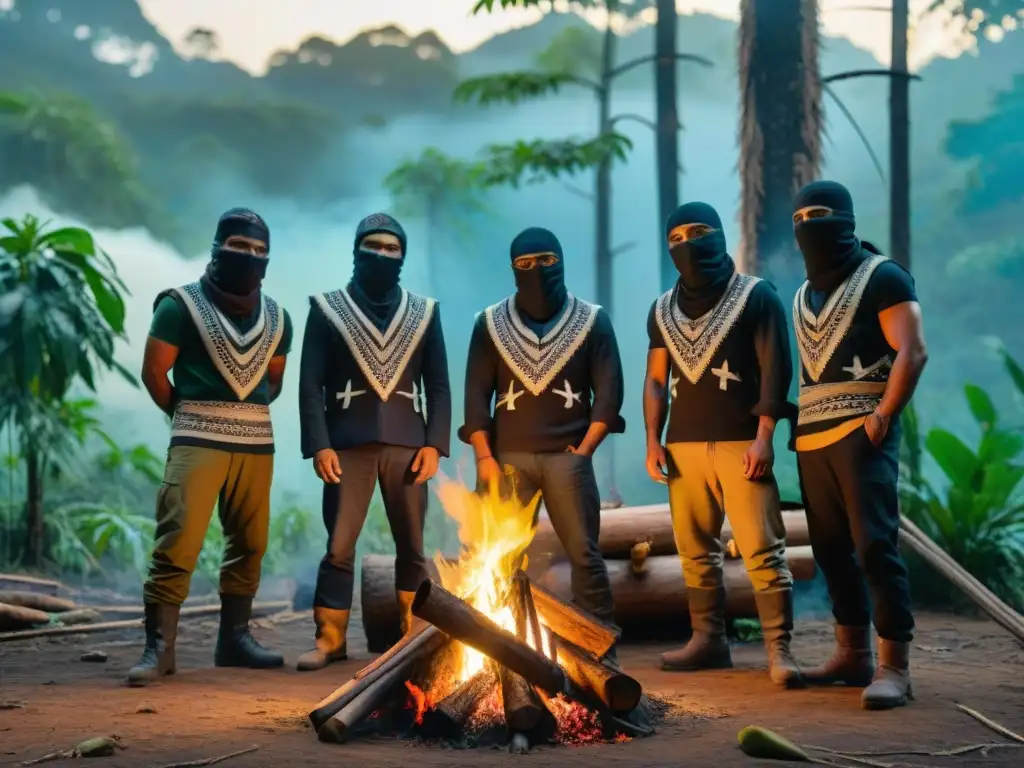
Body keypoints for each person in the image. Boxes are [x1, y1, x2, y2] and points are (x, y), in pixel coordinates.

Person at [129, 208, 293, 687]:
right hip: (196, 440)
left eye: (260, 251)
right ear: (218, 247)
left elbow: (273, 383)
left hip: (256, 443)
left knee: (251, 543)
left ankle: (234, 639)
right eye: (240, 247)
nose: (250, 257)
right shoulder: (178, 306)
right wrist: (188, 414)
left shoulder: (279, 317)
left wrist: (240, 414)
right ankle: (159, 648)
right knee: (178, 539)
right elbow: (154, 374)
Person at [642, 202, 801, 686]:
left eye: (700, 231)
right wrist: (653, 439)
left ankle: (780, 650)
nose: (689, 243)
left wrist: (764, 438)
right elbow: (654, 380)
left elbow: (777, 370)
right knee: (695, 550)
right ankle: (708, 640)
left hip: (742, 442)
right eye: (678, 237)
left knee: (762, 548)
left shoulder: (757, 296)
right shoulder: (661, 309)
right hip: (683, 445)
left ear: (719, 235)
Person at [790, 180, 928, 710]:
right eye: (800, 218)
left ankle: (896, 667)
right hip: (814, 438)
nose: (809, 226)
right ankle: (853, 655)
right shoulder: (805, 293)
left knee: (874, 545)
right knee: (830, 550)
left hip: (862, 433)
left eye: (820, 214)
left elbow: (912, 352)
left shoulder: (884, 276)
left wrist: (884, 416)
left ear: (845, 218)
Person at [296, 213, 450, 670]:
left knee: (412, 545)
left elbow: (437, 385)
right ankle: (330, 639)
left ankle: (411, 637)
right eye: (373, 246)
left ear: (403, 255)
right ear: (357, 250)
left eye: (392, 248)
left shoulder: (425, 312)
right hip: (346, 444)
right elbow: (309, 383)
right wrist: (319, 444)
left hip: (408, 444)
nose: (382, 255)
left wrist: (434, 444)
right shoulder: (327, 309)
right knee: (340, 545)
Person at [461, 226, 624, 655]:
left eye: (548, 261)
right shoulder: (490, 322)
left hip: (567, 459)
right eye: (526, 264)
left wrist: (585, 450)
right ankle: (499, 646)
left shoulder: (592, 320)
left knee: (584, 556)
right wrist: (484, 458)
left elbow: (608, 391)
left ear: (562, 260)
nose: (538, 271)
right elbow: (476, 392)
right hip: (505, 459)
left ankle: (600, 644)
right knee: (499, 556)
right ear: (513, 268)